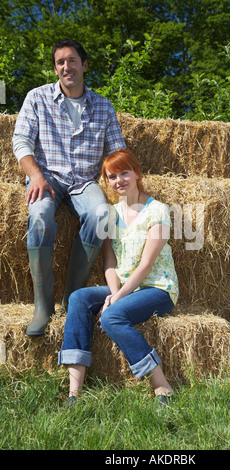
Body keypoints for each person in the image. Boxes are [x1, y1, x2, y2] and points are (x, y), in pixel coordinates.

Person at [12, 39, 126, 337]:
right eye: (60, 62)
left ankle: (71, 299)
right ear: (55, 68)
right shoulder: (36, 98)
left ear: (84, 65)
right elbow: (21, 142)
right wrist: (35, 176)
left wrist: (129, 185)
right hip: (46, 177)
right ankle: (43, 306)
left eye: (72, 61)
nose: (66, 67)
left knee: (102, 215)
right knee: (38, 216)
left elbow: (116, 151)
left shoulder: (103, 106)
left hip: (84, 181)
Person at [58, 148, 179, 407]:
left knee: (112, 316)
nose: (118, 180)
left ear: (137, 173)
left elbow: (146, 264)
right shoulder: (110, 214)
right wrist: (114, 293)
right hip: (123, 288)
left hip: (156, 288)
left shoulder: (157, 210)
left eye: (124, 173)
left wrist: (116, 300)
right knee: (79, 297)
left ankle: (161, 385)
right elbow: (110, 262)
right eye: (112, 176)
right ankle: (74, 392)